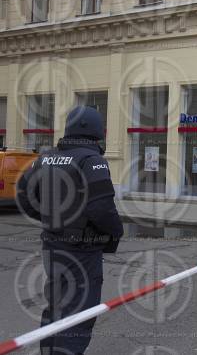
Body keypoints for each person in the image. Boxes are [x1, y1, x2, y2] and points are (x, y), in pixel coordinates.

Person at [16, 106, 124, 355]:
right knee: (79, 314)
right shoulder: (92, 161)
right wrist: (116, 233)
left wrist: (48, 219)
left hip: (52, 248)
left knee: (56, 306)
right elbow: (102, 210)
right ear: (97, 132)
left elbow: (24, 196)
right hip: (82, 252)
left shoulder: (44, 158)